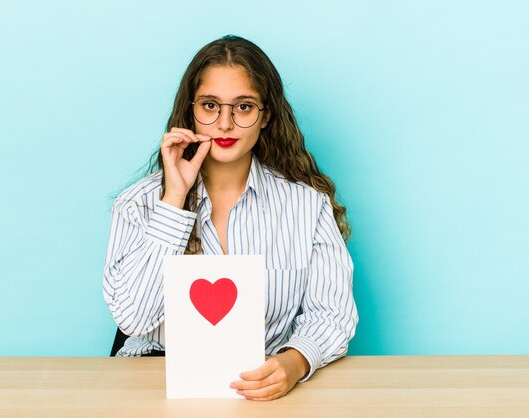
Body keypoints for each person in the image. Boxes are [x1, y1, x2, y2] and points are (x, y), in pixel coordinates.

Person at [103, 35, 358, 401]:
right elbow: (133, 319)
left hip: (261, 385)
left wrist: (295, 361)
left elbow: (332, 313)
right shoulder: (137, 205)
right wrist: (174, 201)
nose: (224, 124)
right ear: (191, 111)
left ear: (265, 115)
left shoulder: (307, 205)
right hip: (155, 383)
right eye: (210, 105)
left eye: (243, 107)